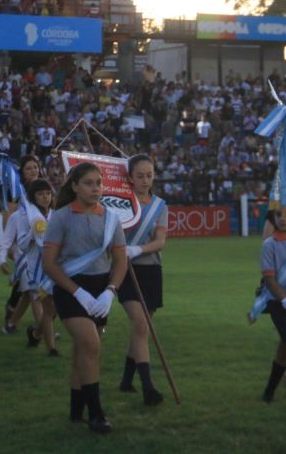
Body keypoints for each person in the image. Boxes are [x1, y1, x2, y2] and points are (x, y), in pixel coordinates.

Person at [42, 162, 127, 433]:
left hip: (101, 290)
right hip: (70, 290)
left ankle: (76, 409)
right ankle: (96, 413)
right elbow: (49, 263)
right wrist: (76, 291)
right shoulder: (61, 216)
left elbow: (121, 261)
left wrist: (110, 292)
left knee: (83, 349)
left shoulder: (111, 218)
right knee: (91, 345)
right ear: (75, 186)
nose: (95, 188)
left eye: (99, 183)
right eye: (89, 183)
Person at [118, 154, 167, 405]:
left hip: (150, 271)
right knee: (141, 325)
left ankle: (126, 380)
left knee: (141, 330)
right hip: (124, 272)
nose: (145, 180)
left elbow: (160, 241)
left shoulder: (160, 205)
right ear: (130, 177)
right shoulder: (120, 203)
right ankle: (148, 387)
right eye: (140, 175)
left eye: (149, 175)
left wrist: (138, 250)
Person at [248, 206, 286, 403]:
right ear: (272, 218)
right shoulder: (269, 245)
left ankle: (269, 392)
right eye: (278, 215)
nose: (283, 219)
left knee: (284, 349)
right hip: (278, 303)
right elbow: (270, 280)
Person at [13, 179, 58, 354]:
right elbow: (22, 245)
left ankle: (36, 333)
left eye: (47, 193)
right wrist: (34, 232)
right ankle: (51, 348)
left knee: (54, 310)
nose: (45, 197)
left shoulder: (56, 214)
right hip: (37, 267)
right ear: (33, 197)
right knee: (48, 308)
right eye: (40, 194)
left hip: (55, 266)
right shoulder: (26, 218)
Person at [2, 155, 42, 327]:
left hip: (41, 244)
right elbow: (9, 217)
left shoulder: (44, 188)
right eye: (29, 168)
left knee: (28, 290)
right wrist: (9, 245)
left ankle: (11, 320)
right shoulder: (17, 191)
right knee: (34, 288)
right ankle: (43, 329)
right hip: (22, 245)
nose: (33, 170)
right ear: (22, 173)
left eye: (35, 166)